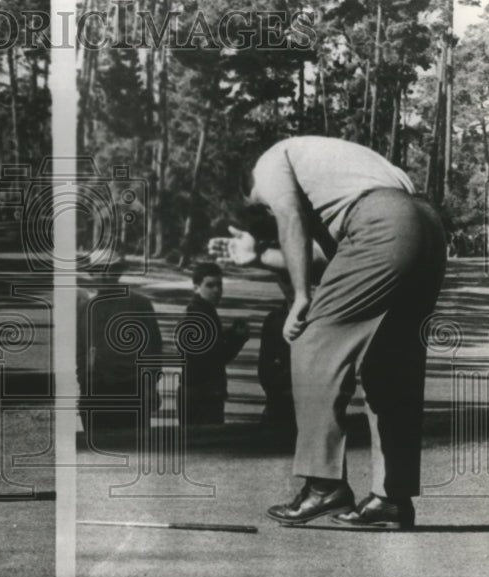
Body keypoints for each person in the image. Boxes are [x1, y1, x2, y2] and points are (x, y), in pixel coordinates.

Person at [218, 136, 446, 530]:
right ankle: (391, 499)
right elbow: (340, 257)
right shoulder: (339, 172)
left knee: (311, 342)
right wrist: (257, 257)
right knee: (390, 369)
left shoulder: (271, 163)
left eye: (263, 207)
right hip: (425, 226)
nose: (269, 211)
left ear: (251, 184)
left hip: (384, 227)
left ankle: (324, 486)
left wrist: (303, 298)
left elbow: (291, 221)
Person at [77, 251, 163, 437]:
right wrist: (84, 380)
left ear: (118, 272)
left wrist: (149, 388)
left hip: (130, 391)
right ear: (92, 273)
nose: (104, 276)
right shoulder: (86, 308)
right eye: (98, 271)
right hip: (95, 393)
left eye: (110, 270)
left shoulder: (139, 304)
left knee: (132, 452)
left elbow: (152, 349)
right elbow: (80, 350)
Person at [177, 262, 249, 427]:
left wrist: (231, 334)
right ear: (196, 287)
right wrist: (237, 339)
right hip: (201, 394)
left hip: (199, 392)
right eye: (210, 285)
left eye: (219, 285)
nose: (217, 290)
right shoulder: (198, 315)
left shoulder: (203, 310)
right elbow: (214, 357)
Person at [257, 271, 295, 430]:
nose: (291, 286)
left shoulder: (322, 316)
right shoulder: (273, 320)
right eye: (286, 280)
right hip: (279, 400)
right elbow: (264, 364)